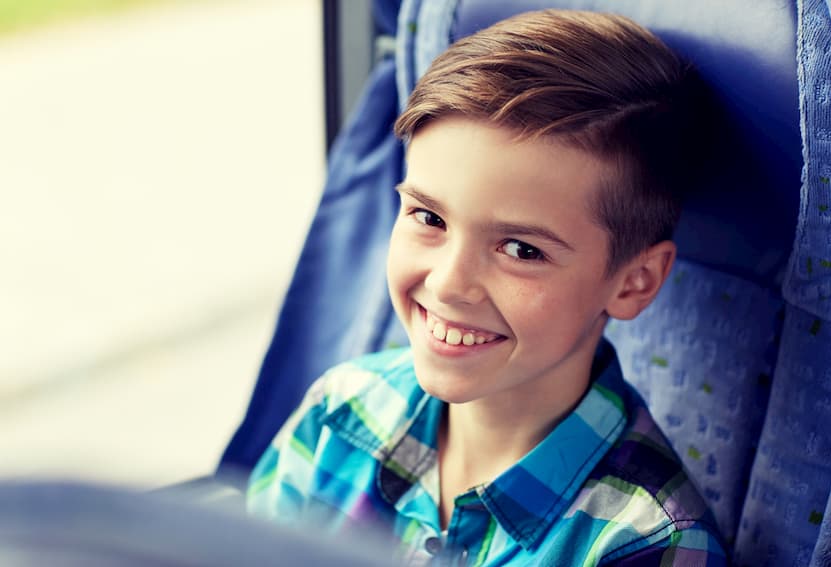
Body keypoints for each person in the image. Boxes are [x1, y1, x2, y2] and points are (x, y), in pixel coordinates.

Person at [246, 9, 727, 566]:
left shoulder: (647, 544)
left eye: (522, 250)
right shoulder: (342, 411)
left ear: (634, 282)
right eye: (428, 218)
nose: (449, 284)